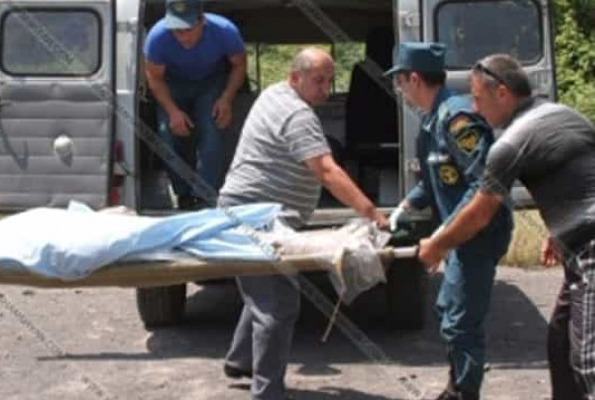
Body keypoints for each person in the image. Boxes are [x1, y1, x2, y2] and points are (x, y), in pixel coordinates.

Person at [418, 53, 595, 400]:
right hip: (579, 243)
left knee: (589, 363)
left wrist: (438, 245)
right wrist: (559, 230)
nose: (475, 108)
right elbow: (581, 175)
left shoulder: (510, 143)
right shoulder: (563, 114)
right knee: (561, 343)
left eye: (478, 99)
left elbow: (480, 212)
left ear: (501, 93)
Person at [219, 47, 386, 400]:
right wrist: (370, 211)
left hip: (250, 211)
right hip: (256, 217)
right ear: (295, 78)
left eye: (329, 81)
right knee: (280, 303)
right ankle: (267, 393)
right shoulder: (297, 114)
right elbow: (326, 171)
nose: (325, 89)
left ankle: (240, 361)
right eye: (318, 81)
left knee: (261, 288)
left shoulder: (273, 94)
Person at [385, 43, 513, 400]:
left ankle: (464, 393)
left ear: (414, 79)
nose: (399, 89)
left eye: (400, 81)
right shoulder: (432, 122)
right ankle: (456, 385)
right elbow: (433, 180)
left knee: (460, 321)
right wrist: (404, 207)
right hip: (460, 232)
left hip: (478, 232)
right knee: (448, 309)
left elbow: (483, 186)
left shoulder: (458, 120)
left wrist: (442, 236)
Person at [144, 0, 246, 209]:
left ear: (202, 21)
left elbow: (239, 65)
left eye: (188, 30)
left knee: (212, 130)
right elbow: (154, 77)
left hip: (211, 83)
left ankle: (204, 195)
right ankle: (183, 194)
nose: (183, 37)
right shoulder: (157, 37)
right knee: (167, 134)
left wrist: (226, 98)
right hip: (172, 85)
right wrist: (172, 112)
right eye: (177, 31)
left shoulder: (225, 31)